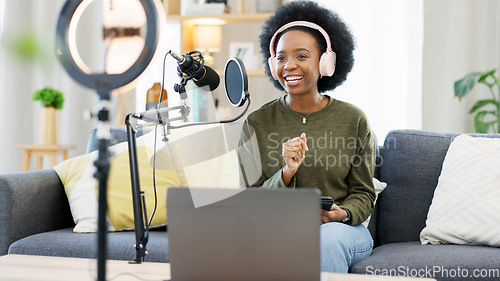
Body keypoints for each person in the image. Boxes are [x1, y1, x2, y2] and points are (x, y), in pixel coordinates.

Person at [237, 0, 376, 273]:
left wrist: (343, 213)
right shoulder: (256, 122)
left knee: (324, 240)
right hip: (279, 228)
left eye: (301, 56)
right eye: (281, 57)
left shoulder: (353, 120)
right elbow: (250, 201)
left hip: (339, 232)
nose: (289, 66)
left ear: (325, 62)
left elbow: (363, 193)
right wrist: (286, 173)